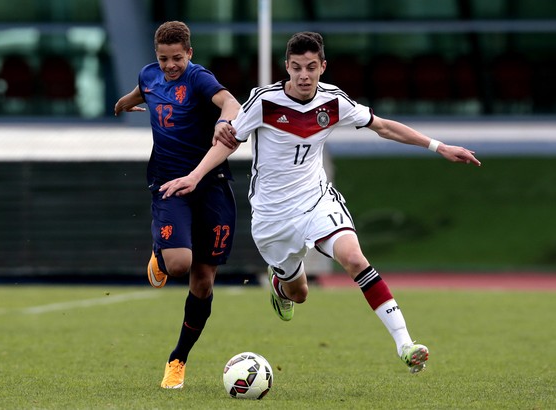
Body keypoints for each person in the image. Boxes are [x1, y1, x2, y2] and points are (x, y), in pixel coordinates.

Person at [161, 31, 481, 374]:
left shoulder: (334, 101)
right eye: (296, 67)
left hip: (316, 201)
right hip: (272, 217)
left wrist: (439, 147)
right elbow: (228, 142)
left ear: (322, 67)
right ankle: (279, 284)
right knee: (298, 293)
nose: (303, 75)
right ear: (286, 67)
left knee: (354, 258)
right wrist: (194, 176)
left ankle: (405, 344)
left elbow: (383, 127)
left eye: (311, 67)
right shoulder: (263, 101)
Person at [114, 21, 240, 389]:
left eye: (177, 58)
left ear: (190, 54)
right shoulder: (150, 74)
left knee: (203, 283)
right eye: (163, 58)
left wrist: (224, 122)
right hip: (168, 184)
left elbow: (229, 101)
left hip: (211, 185)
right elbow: (143, 89)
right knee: (179, 264)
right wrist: (125, 102)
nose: (170, 65)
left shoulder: (200, 79)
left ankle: (178, 359)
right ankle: (160, 250)